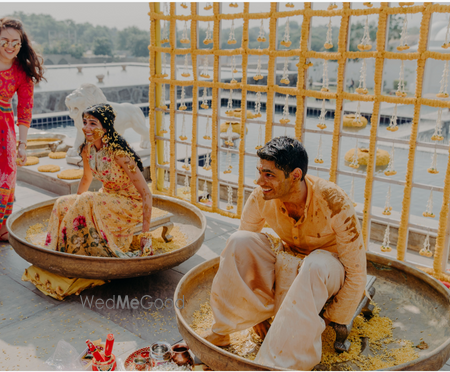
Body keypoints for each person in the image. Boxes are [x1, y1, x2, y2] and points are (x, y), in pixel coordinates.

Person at [204, 136, 366, 370]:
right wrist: (258, 317)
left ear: (296, 175)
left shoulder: (334, 201)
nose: (260, 181)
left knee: (316, 264)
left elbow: (357, 273)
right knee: (238, 241)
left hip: (327, 269)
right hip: (289, 257)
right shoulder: (262, 194)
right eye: (260, 171)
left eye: (269, 174)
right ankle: (222, 330)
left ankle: (280, 364)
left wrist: (326, 319)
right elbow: (242, 251)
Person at [43, 103, 153, 257]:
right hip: (106, 199)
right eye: (85, 122)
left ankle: (75, 254)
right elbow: (87, 178)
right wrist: (75, 203)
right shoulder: (87, 149)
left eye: (93, 123)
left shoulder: (119, 153)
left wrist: (145, 235)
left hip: (129, 203)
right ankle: (57, 253)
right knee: (61, 203)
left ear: (106, 127)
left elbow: (146, 193)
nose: (86, 128)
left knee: (87, 198)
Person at [0, 17, 44, 242]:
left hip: (4, 128)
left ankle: (1, 227)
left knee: (7, 174)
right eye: (4, 40)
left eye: (15, 42)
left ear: (21, 44)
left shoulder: (22, 72)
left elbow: (25, 110)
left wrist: (22, 145)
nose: (9, 46)